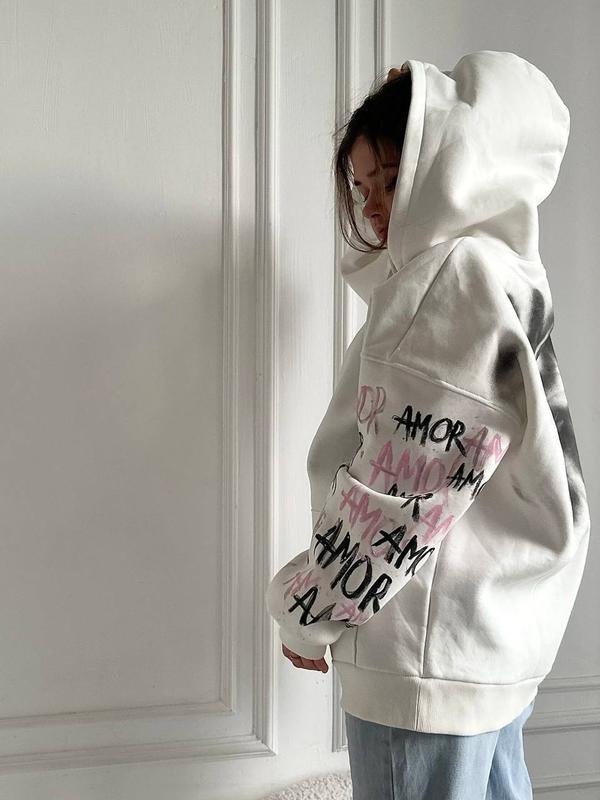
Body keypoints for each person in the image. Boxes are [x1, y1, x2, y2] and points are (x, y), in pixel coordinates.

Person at [265, 50, 590, 799]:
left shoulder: (447, 281)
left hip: (424, 646)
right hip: (491, 631)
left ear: (444, 165)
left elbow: (403, 494)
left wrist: (308, 609)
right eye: (362, 188)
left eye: (391, 178)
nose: (374, 208)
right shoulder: (503, 267)